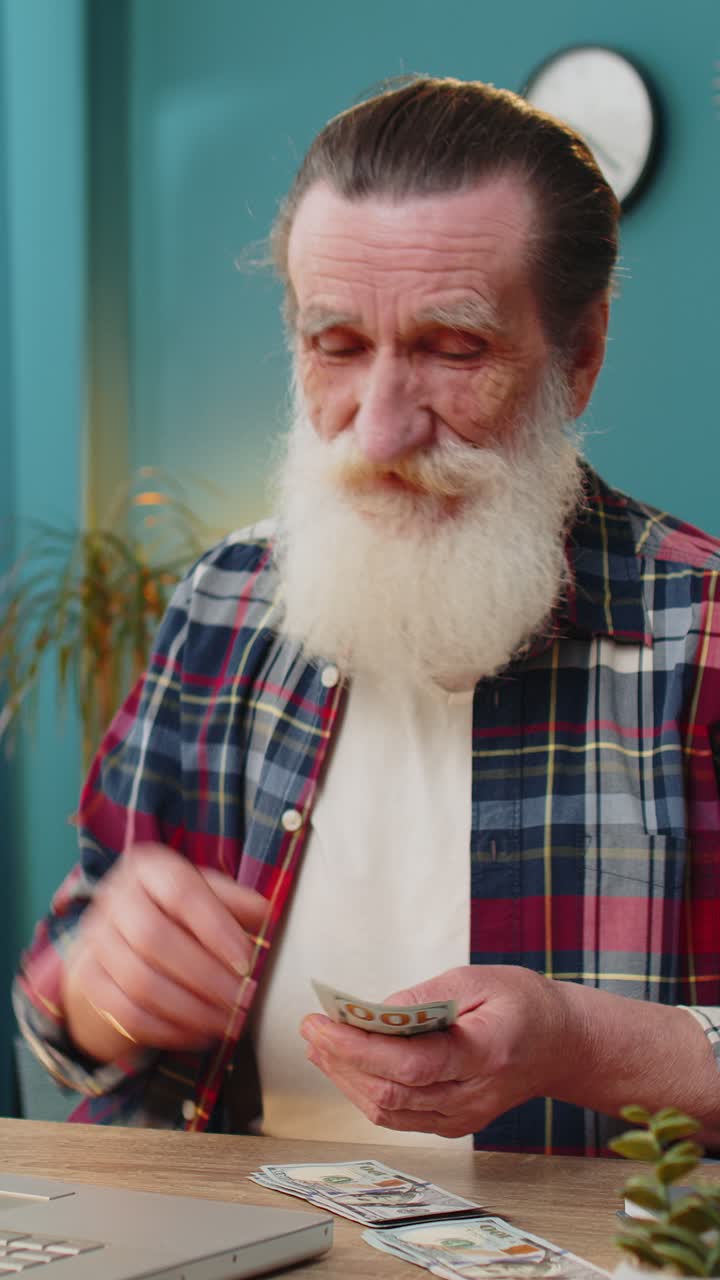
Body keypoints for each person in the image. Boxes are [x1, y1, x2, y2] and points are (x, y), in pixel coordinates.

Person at [13, 76, 720, 1156]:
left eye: (454, 348)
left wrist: (586, 1041)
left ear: (580, 354)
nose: (381, 431)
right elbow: (67, 1002)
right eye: (336, 347)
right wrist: (99, 978)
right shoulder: (223, 599)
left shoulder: (704, 629)